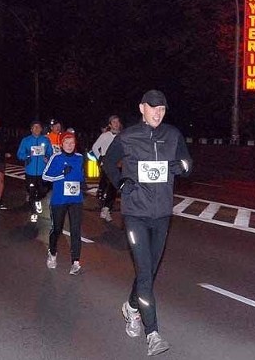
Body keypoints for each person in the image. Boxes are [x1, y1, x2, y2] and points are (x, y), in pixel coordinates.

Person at [103, 90, 192, 356]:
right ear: (142, 108)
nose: (158, 113)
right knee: (144, 272)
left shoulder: (173, 135)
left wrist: (179, 167)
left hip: (163, 213)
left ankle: (131, 307)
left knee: (149, 272)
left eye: (162, 109)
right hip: (135, 214)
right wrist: (121, 183)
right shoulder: (128, 136)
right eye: (153, 108)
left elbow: (188, 164)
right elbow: (107, 161)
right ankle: (152, 333)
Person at [42, 132, 85, 275]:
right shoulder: (56, 157)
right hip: (59, 199)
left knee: (76, 230)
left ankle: (75, 262)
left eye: (72, 143)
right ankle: (52, 252)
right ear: (62, 144)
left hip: (75, 200)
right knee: (57, 229)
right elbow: (45, 176)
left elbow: (81, 175)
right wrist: (62, 174)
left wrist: (83, 184)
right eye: (67, 143)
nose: (69, 146)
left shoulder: (79, 158)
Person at [16, 120, 53, 222]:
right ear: (31, 129)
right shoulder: (26, 140)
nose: (37, 129)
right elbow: (19, 154)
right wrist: (28, 156)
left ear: (41, 129)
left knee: (43, 190)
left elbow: (50, 152)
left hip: (42, 172)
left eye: (38, 127)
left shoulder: (45, 140)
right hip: (30, 172)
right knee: (31, 192)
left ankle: (38, 199)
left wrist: (47, 157)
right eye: (34, 127)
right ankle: (33, 212)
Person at [91, 115, 122, 222]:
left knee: (114, 186)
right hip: (107, 163)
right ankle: (105, 207)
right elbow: (95, 147)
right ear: (110, 124)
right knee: (109, 184)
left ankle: (106, 208)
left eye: (117, 122)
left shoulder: (123, 136)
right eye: (114, 122)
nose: (116, 124)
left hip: (118, 163)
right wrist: (100, 158)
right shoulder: (105, 135)